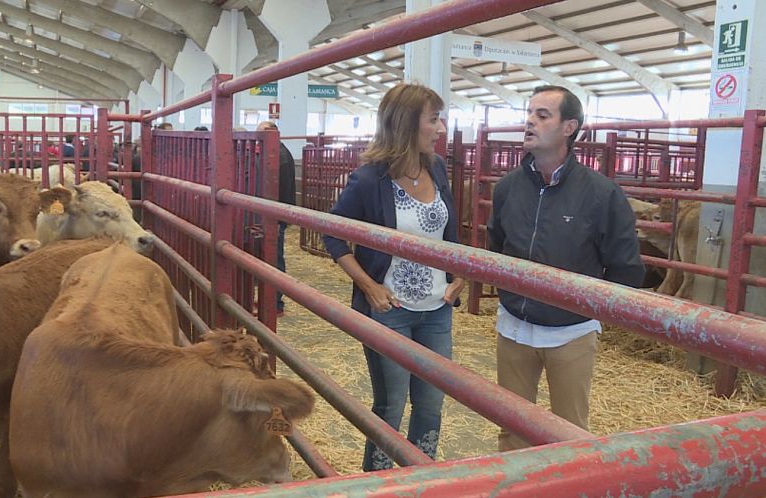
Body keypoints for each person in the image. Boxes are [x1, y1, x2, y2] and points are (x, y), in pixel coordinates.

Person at [487, 85, 645, 451]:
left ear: (569, 127)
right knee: (511, 429)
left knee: (569, 434)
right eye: (529, 113)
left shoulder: (601, 194)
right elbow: (497, 247)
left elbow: (626, 268)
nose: (530, 121)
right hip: (513, 327)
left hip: (570, 333)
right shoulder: (508, 188)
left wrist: (590, 308)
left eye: (543, 115)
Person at [323, 83, 464, 471]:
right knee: (392, 403)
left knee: (432, 401)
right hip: (391, 309)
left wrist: (460, 276)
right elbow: (332, 233)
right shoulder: (371, 179)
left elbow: (450, 232)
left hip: (437, 307)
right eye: (433, 119)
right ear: (406, 123)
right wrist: (368, 285)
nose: (441, 128)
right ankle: (380, 481)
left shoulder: (436, 168)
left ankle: (420, 478)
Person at [257, 120, 296, 317]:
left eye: (261, 132)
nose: (258, 137)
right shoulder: (278, 152)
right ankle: (271, 299)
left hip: (274, 214)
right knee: (271, 256)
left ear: (273, 132)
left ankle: (276, 303)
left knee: (275, 258)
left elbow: (277, 188)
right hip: (274, 213)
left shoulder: (278, 155)